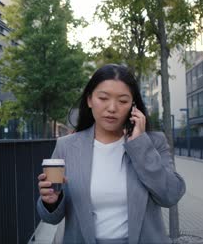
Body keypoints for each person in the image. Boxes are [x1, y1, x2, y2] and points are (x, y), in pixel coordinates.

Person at [37, 64, 186, 243]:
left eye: (123, 101)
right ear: (89, 100)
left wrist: (140, 146)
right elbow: (51, 218)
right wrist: (51, 201)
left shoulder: (153, 142)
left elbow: (170, 196)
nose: (112, 108)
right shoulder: (66, 147)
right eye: (103, 98)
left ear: (133, 106)